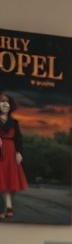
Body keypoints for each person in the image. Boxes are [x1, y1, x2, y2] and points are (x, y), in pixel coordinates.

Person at [0, 92, 28, 220]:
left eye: (7, 102)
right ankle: (8, 208)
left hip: (11, 152)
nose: (5, 104)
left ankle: (8, 207)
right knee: (3, 180)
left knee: (11, 181)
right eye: (2, 101)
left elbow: (19, 139)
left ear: (10, 105)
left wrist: (19, 152)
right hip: (0, 152)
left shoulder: (14, 122)